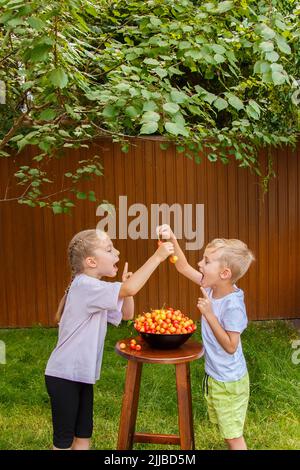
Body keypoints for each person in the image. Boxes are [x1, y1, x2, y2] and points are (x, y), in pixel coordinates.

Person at [45, 228, 174, 450]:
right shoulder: (86, 286)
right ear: (91, 262)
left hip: (81, 375)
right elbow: (129, 288)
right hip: (63, 376)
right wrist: (158, 256)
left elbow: (126, 315)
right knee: (64, 442)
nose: (117, 252)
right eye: (109, 249)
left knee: (83, 436)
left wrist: (127, 292)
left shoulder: (95, 289)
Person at [157, 225, 254, 450]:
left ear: (225, 274)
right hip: (218, 376)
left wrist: (209, 315)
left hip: (230, 382)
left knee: (233, 437)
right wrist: (172, 238)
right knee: (226, 430)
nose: (200, 264)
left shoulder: (233, 306)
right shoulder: (211, 287)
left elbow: (231, 346)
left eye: (207, 261)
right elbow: (181, 266)